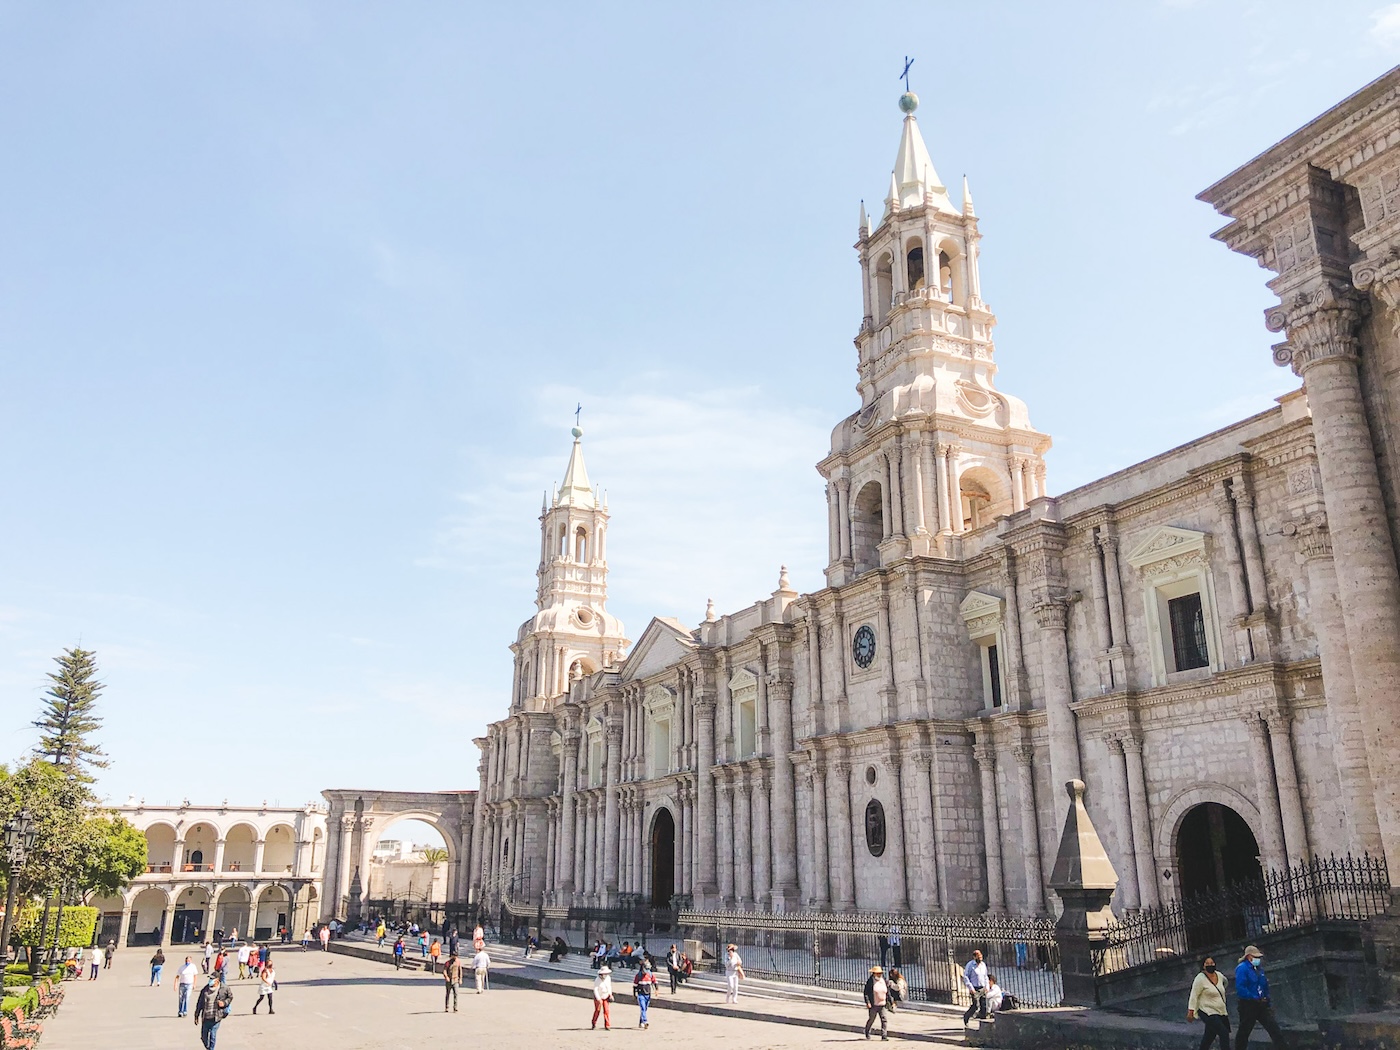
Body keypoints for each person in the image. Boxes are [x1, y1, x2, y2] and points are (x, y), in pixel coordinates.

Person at [1234, 945, 1287, 1049]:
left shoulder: (1259, 969)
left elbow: (1264, 985)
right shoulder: (1242, 968)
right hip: (1248, 1004)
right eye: (1256, 957)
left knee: (1274, 1029)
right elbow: (1241, 987)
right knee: (1244, 1031)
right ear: (1249, 957)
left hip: (1261, 1003)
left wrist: (1267, 1000)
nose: (1258, 959)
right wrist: (1252, 997)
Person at [1188, 955, 1230, 1050]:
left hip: (1220, 1011)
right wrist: (1191, 1011)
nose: (1210, 965)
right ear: (1203, 966)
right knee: (1224, 1032)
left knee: (1209, 1035)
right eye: (1207, 963)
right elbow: (1194, 995)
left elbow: (1225, 983)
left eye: (1212, 963)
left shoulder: (1219, 975)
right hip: (1207, 1011)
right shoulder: (1200, 978)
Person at [194, 973, 233, 1050]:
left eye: (212, 979)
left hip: (216, 1016)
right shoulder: (205, 990)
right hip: (206, 1016)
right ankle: (208, 1048)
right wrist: (196, 1015)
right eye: (210, 979)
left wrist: (224, 1003)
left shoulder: (224, 988)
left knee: (213, 1034)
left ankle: (211, 1048)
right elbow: (200, 1003)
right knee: (203, 1037)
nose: (210, 981)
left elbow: (230, 997)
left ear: (217, 980)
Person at [963, 949, 989, 1027]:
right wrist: (970, 987)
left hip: (982, 987)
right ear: (974, 957)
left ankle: (984, 1023)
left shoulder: (983, 965)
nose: (980, 958)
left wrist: (986, 986)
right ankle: (966, 1017)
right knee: (975, 1006)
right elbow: (966, 976)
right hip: (975, 988)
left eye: (981, 956)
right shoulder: (970, 965)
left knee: (983, 1005)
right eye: (978, 957)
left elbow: (985, 976)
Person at [864, 964, 890, 1041]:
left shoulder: (883, 980)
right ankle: (867, 1032)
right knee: (872, 1019)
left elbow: (887, 991)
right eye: (877, 973)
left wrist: (891, 1001)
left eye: (880, 973)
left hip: (883, 1004)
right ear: (874, 974)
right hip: (873, 1004)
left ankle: (884, 1036)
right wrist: (867, 1002)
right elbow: (866, 993)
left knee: (884, 1019)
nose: (879, 975)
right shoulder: (870, 981)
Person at [633, 959, 657, 1029]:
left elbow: (655, 982)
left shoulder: (650, 974)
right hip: (641, 995)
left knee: (645, 1009)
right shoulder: (638, 976)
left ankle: (641, 1022)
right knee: (643, 1008)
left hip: (648, 994)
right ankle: (645, 1021)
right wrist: (634, 995)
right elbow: (634, 986)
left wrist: (656, 990)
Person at [592, 964, 613, 1030]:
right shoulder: (597, 980)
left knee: (606, 1010)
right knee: (597, 1010)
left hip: (606, 996)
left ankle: (607, 1025)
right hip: (599, 996)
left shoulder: (608, 978)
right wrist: (598, 999)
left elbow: (609, 986)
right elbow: (595, 989)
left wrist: (610, 994)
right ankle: (594, 1022)